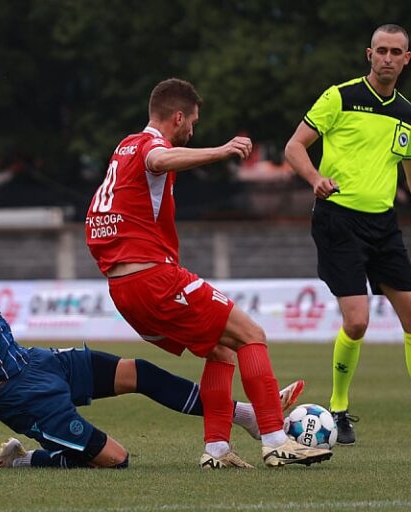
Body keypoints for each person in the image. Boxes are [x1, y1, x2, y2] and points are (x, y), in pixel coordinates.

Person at [0, 194, 307, 470]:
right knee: (116, 459)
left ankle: (243, 415)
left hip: (36, 362)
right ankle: (23, 460)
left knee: (138, 372)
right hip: (18, 396)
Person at [85, 78, 333, 468]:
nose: (192, 131)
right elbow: (159, 160)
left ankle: (217, 449)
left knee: (220, 349)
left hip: (123, 290)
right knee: (251, 334)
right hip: (153, 279)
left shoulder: (123, 147)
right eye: (192, 123)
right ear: (178, 117)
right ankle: (275, 439)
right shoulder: (152, 146)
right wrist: (221, 151)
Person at [284, 24, 411, 446]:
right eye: (381, 50)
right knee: (357, 321)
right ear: (369, 54)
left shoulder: (408, 114)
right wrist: (315, 177)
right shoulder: (340, 97)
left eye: (396, 52)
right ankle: (336, 407)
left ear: (408, 59)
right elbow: (294, 147)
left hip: (383, 226)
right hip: (338, 221)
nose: (387, 58)